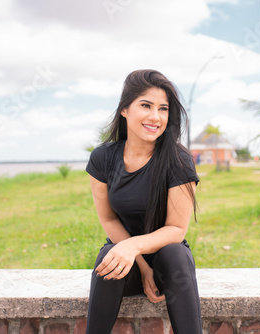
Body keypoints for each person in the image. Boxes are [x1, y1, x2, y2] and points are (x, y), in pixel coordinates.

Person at [85, 69, 202, 333]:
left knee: (175, 253)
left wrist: (138, 251)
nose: (155, 117)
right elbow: (108, 218)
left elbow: (176, 229)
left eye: (163, 109)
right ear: (125, 109)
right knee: (109, 255)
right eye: (146, 105)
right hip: (125, 265)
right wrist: (138, 261)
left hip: (168, 266)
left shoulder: (178, 159)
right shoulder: (103, 158)